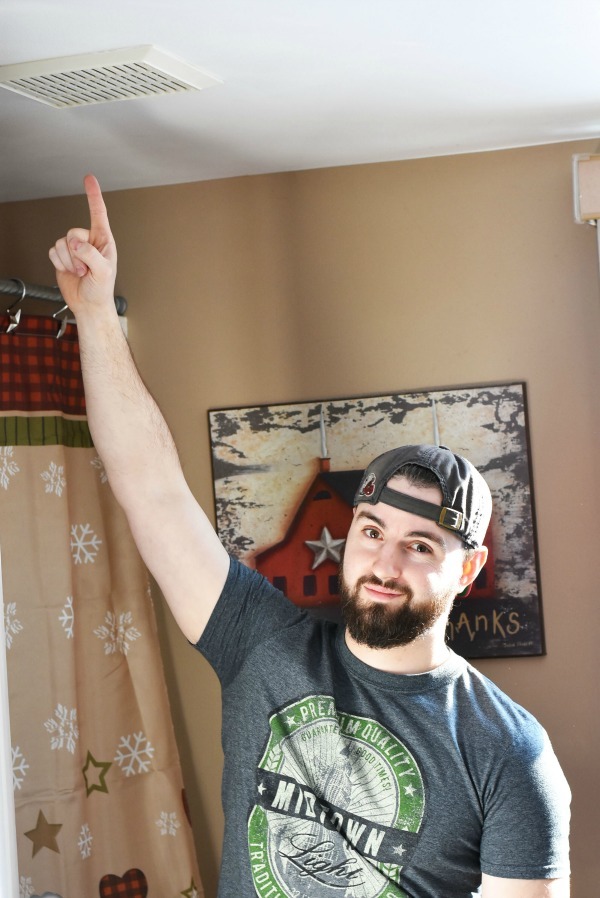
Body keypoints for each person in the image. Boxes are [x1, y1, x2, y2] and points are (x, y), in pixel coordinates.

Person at [49, 175, 571, 898]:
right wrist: (96, 314)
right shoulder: (259, 642)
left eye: (420, 545)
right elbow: (153, 490)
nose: (383, 563)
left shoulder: (508, 750)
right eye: (371, 530)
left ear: (469, 566)